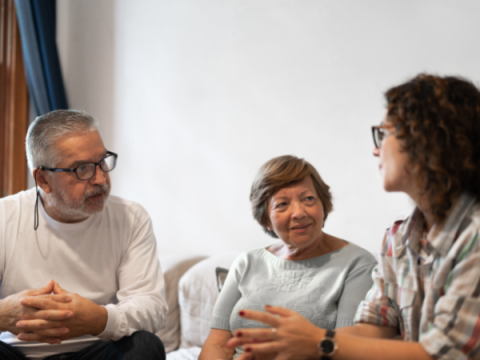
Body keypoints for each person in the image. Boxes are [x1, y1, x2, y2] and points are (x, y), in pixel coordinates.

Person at [227, 74, 480, 360]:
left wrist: (320, 343)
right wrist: (287, 345)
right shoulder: (400, 233)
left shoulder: (474, 235)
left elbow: (445, 353)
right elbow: (376, 327)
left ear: (427, 139)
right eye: (282, 204)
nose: (375, 149)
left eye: (383, 133)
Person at [0, 110, 167, 359]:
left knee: (145, 345)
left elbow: (150, 306)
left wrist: (99, 319)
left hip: (94, 352)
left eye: (102, 162)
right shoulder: (4, 217)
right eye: (82, 169)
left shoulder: (131, 218)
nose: (100, 179)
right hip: (15, 354)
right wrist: (4, 314)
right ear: (43, 180)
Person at [199, 155, 377, 360]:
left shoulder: (357, 264)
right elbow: (218, 343)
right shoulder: (246, 262)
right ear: (266, 218)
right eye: (282, 204)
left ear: (323, 205)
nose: (299, 212)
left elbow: (347, 349)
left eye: (308, 199)